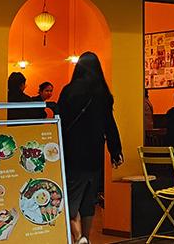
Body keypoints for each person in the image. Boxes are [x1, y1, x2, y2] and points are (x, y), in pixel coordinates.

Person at [58, 52, 123, 244]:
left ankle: (78, 237)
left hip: (72, 153)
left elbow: (59, 120)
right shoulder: (102, 93)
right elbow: (109, 124)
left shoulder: (69, 91)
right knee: (88, 202)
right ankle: (87, 238)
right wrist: (115, 150)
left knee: (70, 199)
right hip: (94, 154)